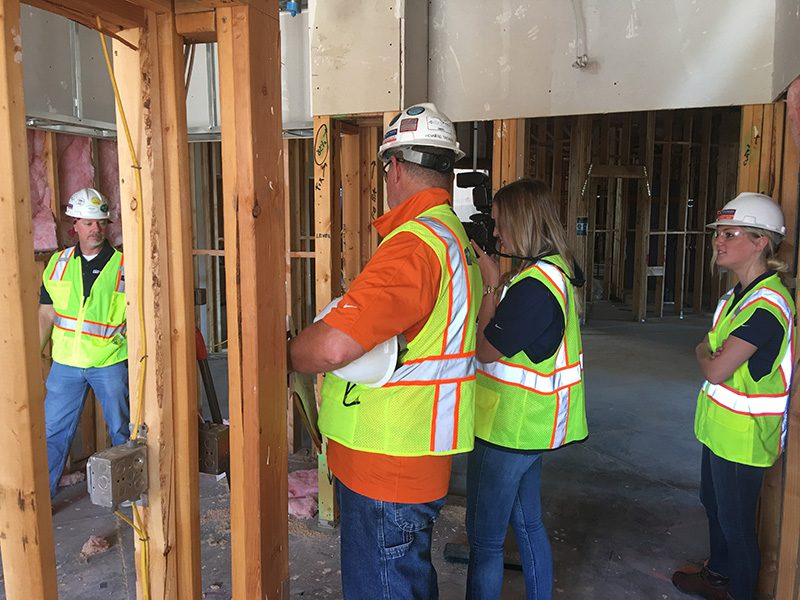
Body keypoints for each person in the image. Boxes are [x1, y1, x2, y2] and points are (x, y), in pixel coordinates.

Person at [289, 102, 481, 599]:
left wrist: (290, 354)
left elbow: (333, 346)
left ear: (394, 168)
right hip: (415, 457)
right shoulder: (453, 238)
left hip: (386, 464)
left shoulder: (415, 246)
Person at [466, 178, 588, 600]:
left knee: (484, 542)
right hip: (528, 428)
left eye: (500, 223)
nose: (496, 232)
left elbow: (485, 350)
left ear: (523, 223)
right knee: (528, 524)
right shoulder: (551, 272)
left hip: (507, 430)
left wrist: (489, 283)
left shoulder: (534, 287)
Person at [672, 193, 795, 600]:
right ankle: (718, 576)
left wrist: (705, 352)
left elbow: (714, 366)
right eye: (718, 233)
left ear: (761, 242)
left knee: (738, 526)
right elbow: (711, 352)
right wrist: (708, 351)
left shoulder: (767, 306)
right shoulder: (736, 298)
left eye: (730, 234)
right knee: (713, 504)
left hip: (744, 438)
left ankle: (739, 590)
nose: (718, 241)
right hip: (720, 430)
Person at [39, 187, 129, 499]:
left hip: (110, 361)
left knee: (123, 431)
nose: (96, 229)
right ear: (74, 225)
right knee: (52, 432)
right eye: (88, 223)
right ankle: (44, 499)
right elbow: (46, 313)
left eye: (101, 222)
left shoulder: (125, 266)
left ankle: (130, 496)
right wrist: (32, 357)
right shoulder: (58, 263)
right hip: (66, 364)